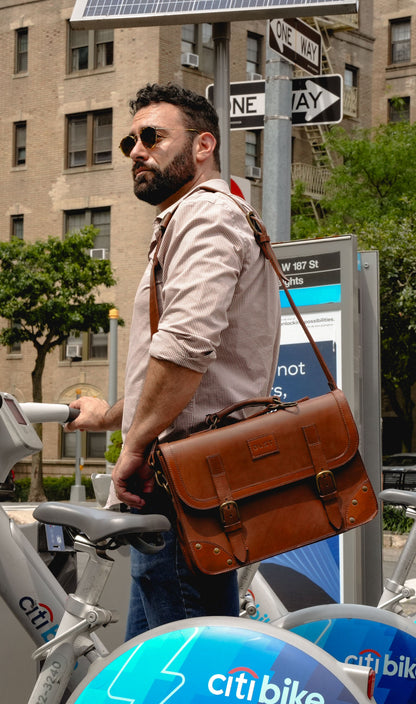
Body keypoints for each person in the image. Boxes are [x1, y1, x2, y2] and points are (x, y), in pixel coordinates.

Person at [67, 83, 281, 639]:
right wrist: (111, 415)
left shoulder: (205, 216)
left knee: (187, 668)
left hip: (183, 479)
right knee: (153, 667)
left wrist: (133, 448)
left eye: (152, 137)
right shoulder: (184, 220)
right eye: (129, 142)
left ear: (203, 144)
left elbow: (186, 346)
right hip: (179, 474)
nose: (137, 150)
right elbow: (178, 367)